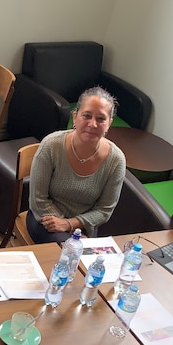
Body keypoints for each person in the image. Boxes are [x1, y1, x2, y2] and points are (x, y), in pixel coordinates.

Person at [27, 86, 127, 243]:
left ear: (109, 124)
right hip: (45, 219)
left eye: (101, 119)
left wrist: (69, 224)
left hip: (83, 227)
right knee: (71, 254)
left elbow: (104, 210)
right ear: (75, 117)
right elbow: (38, 199)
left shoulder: (116, 160)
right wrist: (61, 223)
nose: (93, 124)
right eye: (86, 115)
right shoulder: (51, 145)